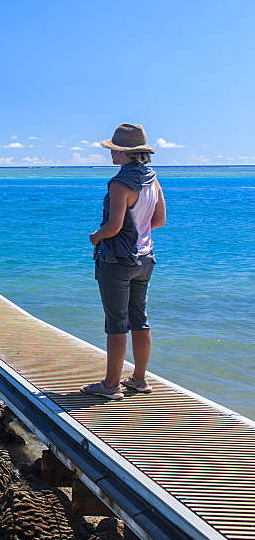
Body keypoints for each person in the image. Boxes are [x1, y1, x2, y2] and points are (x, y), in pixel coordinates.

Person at [81, 124, 166, 400]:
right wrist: (138, 231)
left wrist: (95, 237)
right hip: (145, 258)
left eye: (113, 150)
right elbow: (158, 221)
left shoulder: (119, 183)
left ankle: (110, 385)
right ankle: (139, 380)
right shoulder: (152, 178)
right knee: (140, 320)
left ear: (122, 151)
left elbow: (113, 227)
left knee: (116, 323)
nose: (111, 155)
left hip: (117, 260)